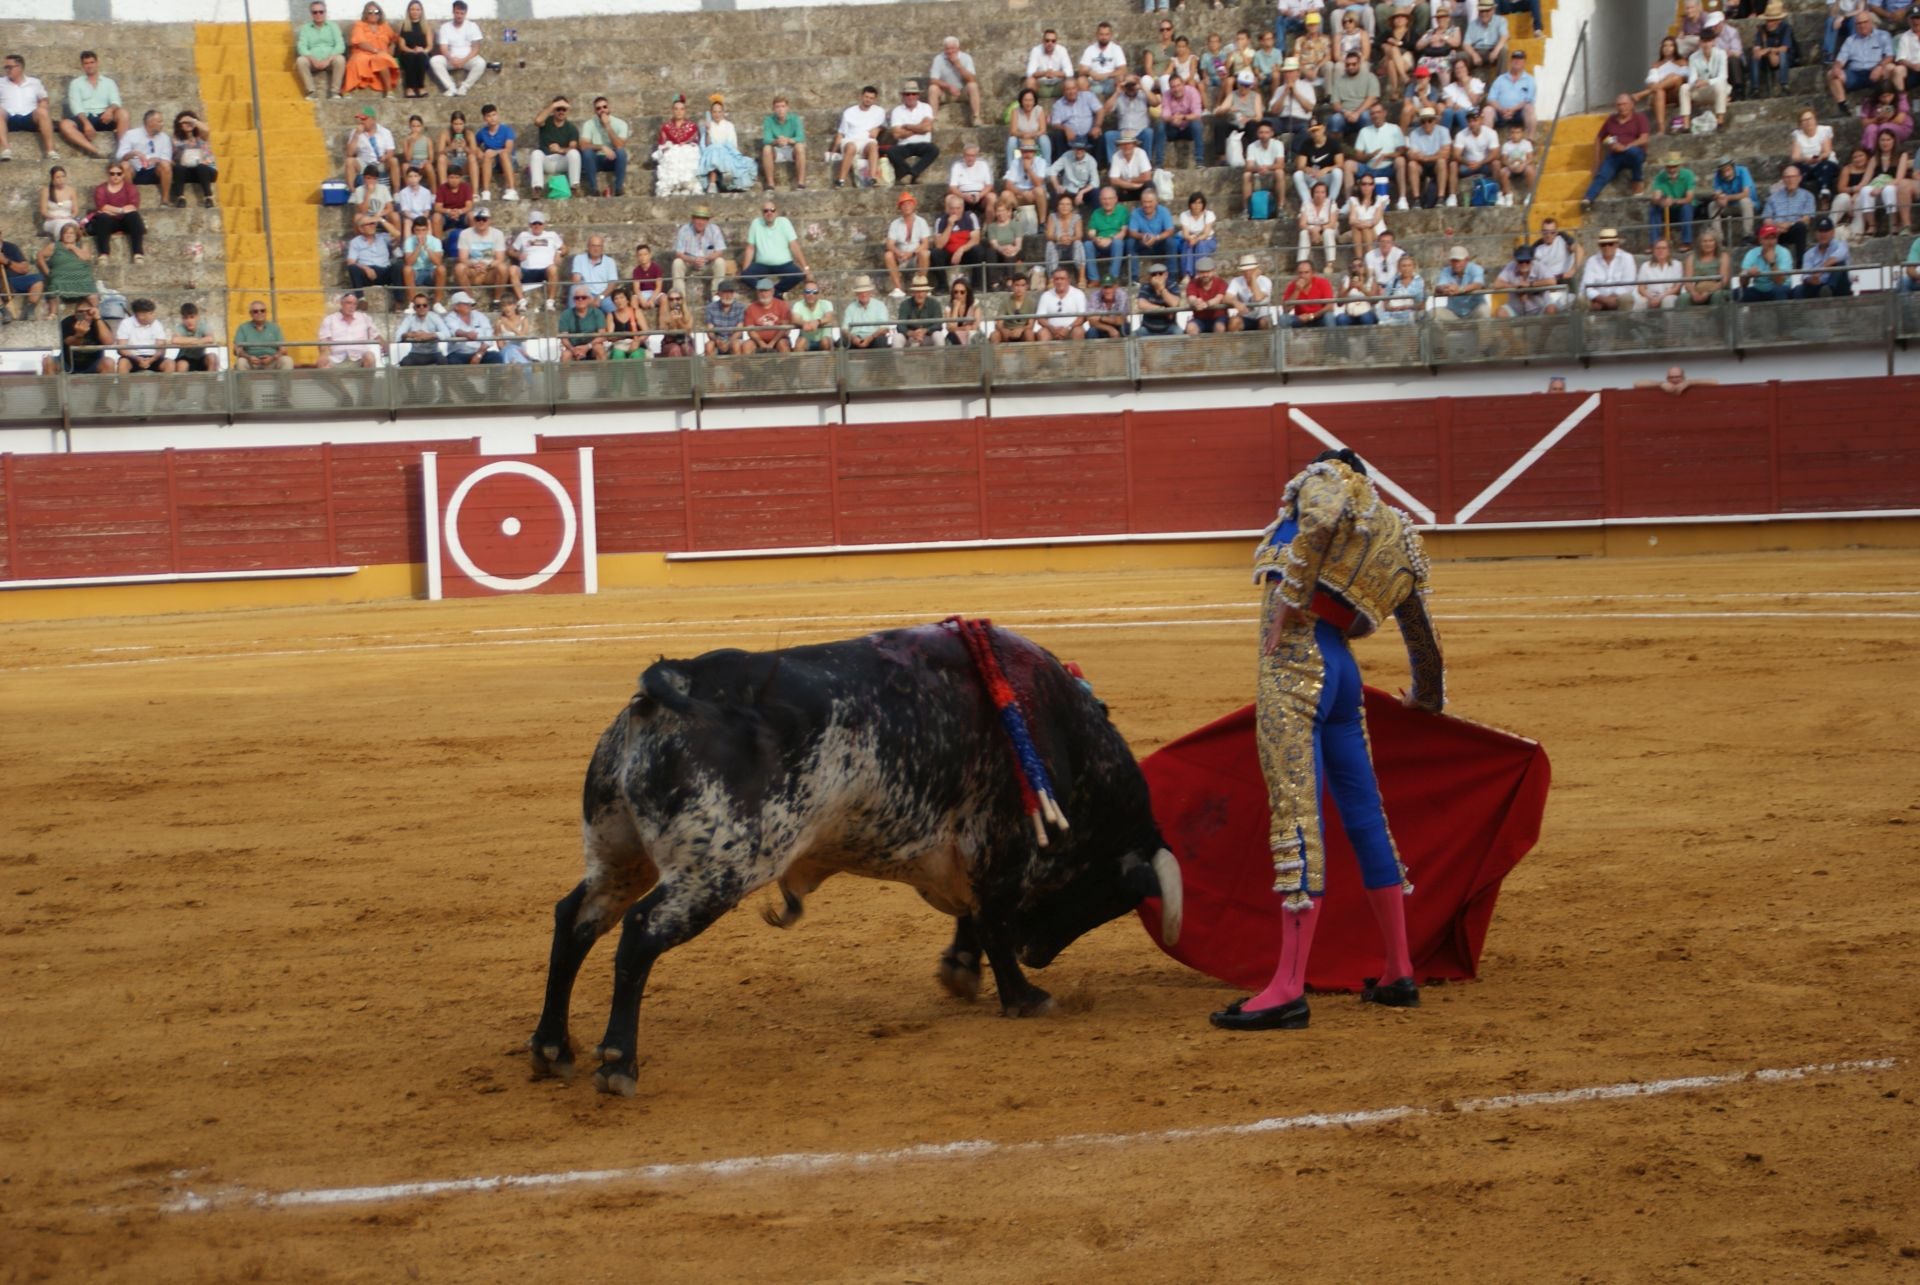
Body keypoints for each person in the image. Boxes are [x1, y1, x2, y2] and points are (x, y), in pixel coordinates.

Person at [1210, 448, 1443, 1031]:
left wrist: (1290, 600)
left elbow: (1318, 516)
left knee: (1296, 816)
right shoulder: (1399, 536)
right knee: (1365, 815)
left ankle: (1288, 986)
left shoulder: (1324, 482)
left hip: (1294, 667)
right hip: (1344, 675)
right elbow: (1423, 637)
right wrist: (1427, 698)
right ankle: (1398, 969)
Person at [1582, 94, 1648, 208]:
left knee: (1634, 152)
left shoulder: (1639, 117)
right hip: (1616, 155)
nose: (1622, 107)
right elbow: (1598, 139)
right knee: (1603, 174)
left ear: (1632, 105)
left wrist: (1625, 147)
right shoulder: (1611, 120)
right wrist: (1597, 162)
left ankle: (1637, 181)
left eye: (1625, 104)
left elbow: (1644, 139)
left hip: (1633, 153)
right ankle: (1588, 198)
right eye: (1619, 105)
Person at [60, 51, 127, 158]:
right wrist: (86, 123)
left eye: (92, 62)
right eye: (86, 63)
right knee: (64, 125)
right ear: (82, 65)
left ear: (97, 63)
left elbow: (116, 101)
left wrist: (110, 110)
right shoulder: (76, 84)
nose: (89, 66)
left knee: (123, 113)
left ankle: (123, 150)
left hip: (104, 116)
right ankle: (95, 151)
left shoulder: (109, 82)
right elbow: (76, 107)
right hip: (84, 116)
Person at [1829, 12, 1896, 117]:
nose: (1862, 25)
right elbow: (1840, 60)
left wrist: (1879, 66)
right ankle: (1843, 107)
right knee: (1832, 74)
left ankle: (1891, 104)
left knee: (1890, 68)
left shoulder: (1882, 35)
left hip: (1875, 71)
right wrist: (1837, 68)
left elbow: (1890, 56)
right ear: (1855, 25)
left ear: (1871, 22)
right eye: (1859, 23)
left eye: (1865, 22)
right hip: (1856, 73)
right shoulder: (1850, 40)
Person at [740, 198, 809, 298]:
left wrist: (806, 267)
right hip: (762, 264)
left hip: (784, 264)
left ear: (777, 212)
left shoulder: (784, 222)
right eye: (766, 211)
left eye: (772, 210)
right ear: (762, 213)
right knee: (746, 276)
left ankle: (772, 293)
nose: (769, 213)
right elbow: (750, 248)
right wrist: (745, 271)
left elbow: (794, 245)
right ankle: (776, 294)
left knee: (798, 275)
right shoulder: (756, 223)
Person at [1347, 101, 1407, 204]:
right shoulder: (1364, 131)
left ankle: (1402, 199)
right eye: (1372, 113)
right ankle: (1350, 202)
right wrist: (1370, 156)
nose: (1375, 115)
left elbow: (1401, 150)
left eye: (1378, 112)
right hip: (1369, 167)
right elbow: (1358, 155)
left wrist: (1387, 155)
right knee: (1348, 164)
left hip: (1388, 166)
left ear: (1384, 113)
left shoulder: (1394, 129)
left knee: (1400, 160)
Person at [697, 95, 756, 195]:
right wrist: (707, 132)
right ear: (711, 113)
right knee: (713, 150)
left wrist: (721, 149)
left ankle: (723, 177)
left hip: (727, 154)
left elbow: (732, 145)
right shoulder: (707, 126)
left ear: (723, 113)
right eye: (714, 112)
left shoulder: (729, 126)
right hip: (711, 155)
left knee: (718, 150)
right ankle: (712, 183)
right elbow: (706, 146)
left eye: (719, 111)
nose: (717, 114)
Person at [1680, 18, 1731, 132]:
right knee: (1684, 88)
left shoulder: (1721, 54)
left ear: (1713, 42)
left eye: (1708, 41)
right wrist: (1696, 82)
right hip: (1701, 90)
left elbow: (1723, 76)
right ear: (1700, 42)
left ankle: (1720, 121)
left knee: (1720, 85)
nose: (1706, 44)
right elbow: (1692, 77)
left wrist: (1707, 82)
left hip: (1715, 89)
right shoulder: (1694, 57)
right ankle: (1686, 125)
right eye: (1704, 41)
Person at [87, 161, 145, 262]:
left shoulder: (130, 188)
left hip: (126, 220)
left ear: (123, 174)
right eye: (112, 173)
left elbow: (132, 206)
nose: (115, 176)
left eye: (118, 173)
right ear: (107, 174)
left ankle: (138, 253)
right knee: (103, 218)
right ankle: (104, 253)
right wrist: (121, 210)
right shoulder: (101, 189)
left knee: (133, 216)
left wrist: (112, 210)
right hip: (110, 221)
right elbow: (102, 207)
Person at [886, 83, 940, 185]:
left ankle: (910, 174)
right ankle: (913, 174)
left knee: (934, 150)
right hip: (904, 145)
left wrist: (908, 126)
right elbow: (896, 134)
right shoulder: (897, 110)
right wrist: (919, 127)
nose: (911, 96)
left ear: (918, 95)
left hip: (923, 144)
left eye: (913, 94)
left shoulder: (926, 107)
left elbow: (927, 128)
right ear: (903, 96)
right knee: (892, 152)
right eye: (908, 94)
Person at [672, 205, 733, 294]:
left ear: (708, 221)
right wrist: (693, 260)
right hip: (689, 263)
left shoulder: (714, 229)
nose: (701, 222)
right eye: (698, 219)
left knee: (720, 262)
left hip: (708, 263)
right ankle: (680, 298)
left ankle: (716, 296)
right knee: (677, 263)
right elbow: (678, 253)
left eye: (704, 219)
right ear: (693, 219)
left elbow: (719, 251)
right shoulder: (684, 230)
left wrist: (706, 258)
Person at [430, 0, 486, 98]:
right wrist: (452, 59)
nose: (459, 16)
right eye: (457, 13)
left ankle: (464, 87)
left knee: (481, 63)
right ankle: (451, 87)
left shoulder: (472, 26)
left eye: (462, 13)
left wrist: (463, 60)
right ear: (453, 12)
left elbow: (476, 48)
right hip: (451, 59)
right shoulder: (445, 27)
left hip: (467, 59)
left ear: (465, 13)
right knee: (434, 61)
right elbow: (443, 48)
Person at [453, 206, 508, 304]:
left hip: (490, 271)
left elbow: (500, 258)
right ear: (474, 220)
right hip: (473, 270)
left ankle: (497, 300)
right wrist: (474, 265)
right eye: (478, 219)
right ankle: (470, 300)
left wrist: (487, 266)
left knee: (503, 268)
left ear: (489, 220)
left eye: (484, 219)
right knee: (459, 268)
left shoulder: (497, 234)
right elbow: (462, 258)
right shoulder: (465, 234)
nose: (481, 222)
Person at [832, 87, 885, 189]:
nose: (868, 100)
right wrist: (834, 151)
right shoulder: (849, 112)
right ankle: (840, 180)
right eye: (866, 97)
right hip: (850, 140)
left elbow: (885, 125)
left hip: (866, 141)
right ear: (861, 96)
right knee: (851, 147)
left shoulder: (879, 111)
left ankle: (872, 178)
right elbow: (841, 132)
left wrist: (878, 129)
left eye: (871, 98)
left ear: (874, 99)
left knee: (873, 145)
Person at [344, 3, 400, 98]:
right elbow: (360, 42)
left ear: (380, 14)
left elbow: (393, 39)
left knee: (382, 58)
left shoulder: (385, 26)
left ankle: (389, 91)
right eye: (370, 12)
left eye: (376, 12)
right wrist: (375, 50)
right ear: (365, 14)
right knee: (357, 60)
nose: (373, 14)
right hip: (363, 52)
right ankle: (348, 90)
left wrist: (392, 46)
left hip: (381, 53)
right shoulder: (359, 25)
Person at [528, 97, 582, 196]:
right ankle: (537, 188)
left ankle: (574, 186)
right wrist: (553, 105)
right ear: (554, 110)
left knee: (574, 153)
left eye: (563, 109)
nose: (561, 112)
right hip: (546, 160)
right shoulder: (546, 122)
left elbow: (573, 147)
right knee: (536, 153)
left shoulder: (572, 128)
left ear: (567, 111)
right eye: (558, 109)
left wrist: (560, 150)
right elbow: (537, 121)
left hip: (562, 161)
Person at [116, 110, 175, 201]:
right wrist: (133, 153)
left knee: (166, 166)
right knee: (124, 165)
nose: (162, 124)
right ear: (150, 123)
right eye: (159, 121)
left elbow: (167, 159)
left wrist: (157, 160)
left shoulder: (164, 138)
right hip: (135, 170)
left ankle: (165, 199)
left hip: (154, 170)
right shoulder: (131, 135)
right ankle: (131, 199)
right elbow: (119, 156)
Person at [929, 190, 982, 291]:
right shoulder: (941, 221)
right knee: (935, 253)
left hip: (965, 253)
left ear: (962, 208)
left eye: (958, 208)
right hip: (948, 254)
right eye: (952, 209)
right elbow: (939, 245)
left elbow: (976, 239)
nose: (955, 211)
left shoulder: (970, 217)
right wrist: (949, 226)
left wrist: (961, 250)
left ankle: (977, 285)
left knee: (978, 250)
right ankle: (943, 285)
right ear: (948, 209)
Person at [510, 209, 563, 308]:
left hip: (545, 270)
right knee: (513, 269)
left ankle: (550, 301)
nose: (537, 226)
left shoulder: (552, 235)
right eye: (534, 223)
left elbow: (564, 248)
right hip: (526, 270)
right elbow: (511, 251)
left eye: (539, 223)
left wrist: (558, 253)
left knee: (553, 269)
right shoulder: (523, 236)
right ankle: (521, 301)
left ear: (543, 224)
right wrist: (518, 255)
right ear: (530, 224)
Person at [1761, 164, 1817, 257]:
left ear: (1799, 178)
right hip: (1776, 231)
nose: (1790, 180)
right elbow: (1767, 219)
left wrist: (1789, 225)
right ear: (1783, 179)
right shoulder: (1773, 198)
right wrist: (1777, 226)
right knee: (1763, 231)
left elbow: (1806, 220)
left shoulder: (1808, 196)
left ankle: (1800, 267)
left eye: (1793, 177)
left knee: (1800, 227)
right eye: (1787, 177)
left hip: (1795, 230)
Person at [317, 291, 383, 369]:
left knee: (370, 357)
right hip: (337, 358)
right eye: (348, 303)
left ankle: (368, 382)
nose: (351, 306)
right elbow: (324, 341)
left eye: (354, 304)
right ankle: (337, 382)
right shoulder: (330, 319)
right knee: (322, 363)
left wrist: (387, 348)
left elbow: (376, 336)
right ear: (341, 304)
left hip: (359, 357)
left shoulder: (364, 318)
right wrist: (324, 354)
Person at [296, 3, 348, 101]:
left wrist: (328, 60)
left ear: (325, 13)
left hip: (330, 60)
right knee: (300, 60)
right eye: (315, 12)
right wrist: (313, 60)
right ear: (311, 14)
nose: (318, 14)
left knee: (340, 59)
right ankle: (311, 91)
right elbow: (301, 47)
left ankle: (335, 92)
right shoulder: (305, 28)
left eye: (321, 12)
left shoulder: (333, 26)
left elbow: (340, 45)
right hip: (313, 61)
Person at [580, 96, 630, 198]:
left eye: (604, 107)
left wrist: (607, 126)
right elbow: (583, 145)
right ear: (595, 111)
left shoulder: (621, 124)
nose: (602, 110)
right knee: (587, 153)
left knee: (621, 152)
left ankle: (618, 188)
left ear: (609, 108)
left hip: (612, 159)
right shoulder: (589, 124)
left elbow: (619, 145)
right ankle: (593, 189)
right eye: (598, 108)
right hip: (596, 160)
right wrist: (601, 147)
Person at [1647, 152, 1697, 251]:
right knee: (1653, 209)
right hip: (1668, 208)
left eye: (1674, 167)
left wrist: (1673, 201)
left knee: (1686, 207)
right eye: (1669, 167)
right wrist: (1659, 201)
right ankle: (1654, 242)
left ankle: (1686, 242)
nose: (1672, 170)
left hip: (1683, 206)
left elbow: (1689, 197)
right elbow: (1655, 196)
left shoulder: (1688, 175)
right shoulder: (1660, 177)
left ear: (1679, 166)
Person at [345, 212, 400, 302]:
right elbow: (351, 262)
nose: (372, 226)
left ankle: (399, 302)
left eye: (373, 223)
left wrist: (381, 220)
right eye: (368, 224)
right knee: (353, 268)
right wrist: (365, 268)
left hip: (384, 271)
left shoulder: (383, 237)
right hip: (368, 274)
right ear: (361, 229)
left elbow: (397, 234)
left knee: (398, 266)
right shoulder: (355, 242)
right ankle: (361, 299)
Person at [928, 36, 982, 125]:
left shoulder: (966, 58)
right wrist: (948, 86)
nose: (950, 51)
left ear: (958, 48)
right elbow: (933, 80)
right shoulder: (938, 59)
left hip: (962, 91)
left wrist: (958, 65)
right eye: (947, 49)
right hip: (945, 92)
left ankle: (976, 116)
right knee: (932, 88)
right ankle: (934, 119)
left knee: (973, 85)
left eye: (952, 48)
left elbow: (972, 79)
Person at [654, 96, 702, 197]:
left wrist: (684, 146)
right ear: (672, 110)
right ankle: (673, 187)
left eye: (681, 109)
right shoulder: (666, 127)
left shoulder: (692, 126)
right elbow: (662, 143)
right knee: (671, 154)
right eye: (676, 109)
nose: (679, 112)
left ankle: (686, 186)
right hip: (672, 153)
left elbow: (695, 142)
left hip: (687, 152)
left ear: (685, 111)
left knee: (686, 153)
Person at [1701, 156, 1756, 243]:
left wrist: (1727, 197)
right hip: (1729, 205)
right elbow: (1717, 192)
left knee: (1744, 201)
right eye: (1723, 172)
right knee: (1712, 205)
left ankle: (1747, 235)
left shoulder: (1743, 171)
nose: (1726, 174)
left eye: (1728, 170)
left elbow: (1746, 193)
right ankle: (1719, 239)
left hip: (1746, 205)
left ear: (1733, 167)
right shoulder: (1718, 175)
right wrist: (1718, 198)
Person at [1082, 186, 1130, 286]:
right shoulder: (1096, 213)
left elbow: (1123, 232)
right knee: (1087, 244)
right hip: (1100, 243)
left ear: (1115, 199)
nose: (1107, 202)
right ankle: (1094, 279)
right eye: (1104, 199)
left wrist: (1110, 239)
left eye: (1110, 199)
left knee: (1118, 243)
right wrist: (1096, 239)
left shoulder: (1122, 211)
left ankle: (1113, 278)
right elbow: (1091, 232)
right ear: (1100, 200)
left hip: (1115, 242)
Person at [1579, 228, 1635, 311]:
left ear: (1617, 244)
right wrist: (1603, 300)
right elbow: (1585, 286)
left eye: (1610, 244)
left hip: (1617, 299)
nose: (1607, 247)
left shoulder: (1627, 258)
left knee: (1627, 298)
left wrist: (1611, 299)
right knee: (1580, 300)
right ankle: (1587, 323)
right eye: (1603, 244)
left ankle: (1624, 323)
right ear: (1599, 246)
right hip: (1597, 300)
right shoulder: (1592, 261)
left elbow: (1628, 285)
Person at [1796, 215, 1853, 297]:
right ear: (1816, 233)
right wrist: (1811, 280)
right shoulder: (1808, 254)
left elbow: (1835, 258)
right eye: (1820, 231)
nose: (1823, 234)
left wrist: (1820, 271)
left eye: (1826, 231)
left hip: (1839, 287)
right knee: (1798, 290)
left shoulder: (1841, 245)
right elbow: (1806, 276)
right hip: (1818, 286)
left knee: (1840, 264)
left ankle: (1829, 288)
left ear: (1833, 232)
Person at [55, 298, 114, 375]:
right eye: (80, 312)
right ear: (75, 313)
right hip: (67, 363)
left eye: (88, 311)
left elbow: (108, 342)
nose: (84, 314)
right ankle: (51, 387)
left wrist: (98, 318)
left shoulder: (100, 323)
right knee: (48, 362)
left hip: (94, 363)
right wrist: (79, 335)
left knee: (108, 363)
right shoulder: (67, 322)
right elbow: (68, 342)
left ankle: (105, 386)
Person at [1750, 2, 1797, 98]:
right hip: (1767, 58)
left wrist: (1769, 50)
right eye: (1767, 21)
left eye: (1771, 21)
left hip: (1784, 58)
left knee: (1783, 54)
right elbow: (1757, 48)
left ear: (1778, 21)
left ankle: (1784, 85)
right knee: (1754, 58)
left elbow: (1784, 48)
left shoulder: (1786, 28)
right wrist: (1758, 51)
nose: (1769, 23)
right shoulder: (1762, 30)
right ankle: (1755, 89)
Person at [1049, 80, 1102, 164]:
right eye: (1068, 89)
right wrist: (1065, 128)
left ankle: (1098, 167)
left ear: (1077, 89)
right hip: (1071, 136)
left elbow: (1100, 110)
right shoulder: (1058, 104)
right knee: (1058, 135)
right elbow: (1055, 123)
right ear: (1063, 92)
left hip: (1088, 134)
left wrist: (1097, 126)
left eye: (1073, 88)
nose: (1071, 92)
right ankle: (1062, 166)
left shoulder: (1087, 96)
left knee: (1098, 134)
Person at [1128, 186, 1175, 280]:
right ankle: (1134, 277)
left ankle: (1173, 275)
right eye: (1144, 202)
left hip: (1159, 242)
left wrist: (1156, 237)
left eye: (1150, 202)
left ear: (1156, 202)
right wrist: (1143, 236)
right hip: (1143, 243)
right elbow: (1132, 232)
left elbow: (1170, 230)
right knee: (1130, 242)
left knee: (1171, 242)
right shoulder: (1136, 213)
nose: (1147, 205)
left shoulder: (1163, 211)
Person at [1485, 48, 1535, 136]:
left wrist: (1512, 110)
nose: (1517, 61)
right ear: (1510, 61)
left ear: (1524, 62)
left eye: (1520, 59)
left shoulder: (1529, 80)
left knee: (1529, 108)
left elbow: (1528, 100)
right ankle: (1486, 143)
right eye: (1514, 59)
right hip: (1500, 112)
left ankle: (1530, 139)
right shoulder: (1500, 79)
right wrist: (1501, 109)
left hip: (1519, 113)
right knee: (1487, 110)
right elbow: (1490, 98)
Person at [759, 96, 805, 191]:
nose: (780, 109)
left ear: (787, 107)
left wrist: (788, 140)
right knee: (766, 149)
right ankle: (770, 184)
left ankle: (801, 182)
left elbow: (801, 137)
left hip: (791, 148)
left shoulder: (795, 119)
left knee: (800, 147)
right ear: (773, 109)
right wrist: (776, 141)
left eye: (783, 106)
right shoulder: (768, 120)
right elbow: (766, 139)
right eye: (777, 107)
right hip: (777, 149)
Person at [234, 300, 294, 371]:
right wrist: (249, 357)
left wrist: (272, 358)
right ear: (250, 314)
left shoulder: (274, 327)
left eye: (262, 310)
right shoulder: (243, 328)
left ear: (266, 312)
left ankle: (283, 382)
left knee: (287, 360)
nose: (259, 313)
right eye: (255, 311)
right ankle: (244, 383)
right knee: (241, 362)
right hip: (251, 362)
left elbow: (284, 350)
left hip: (272, 362)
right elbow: (236, 350)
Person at [1242, 120, 1287, 216]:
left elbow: (1281, 164)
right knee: (1246, 175)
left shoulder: (1278, 144)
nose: (1264, 135)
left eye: (1266, 132)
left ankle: (1281, 207)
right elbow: (1248, 166)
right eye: (1261, 132)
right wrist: (1259, 169)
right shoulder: (1252, 146)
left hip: (1272, 173)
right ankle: (1246, 209)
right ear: (1257, 134)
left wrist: (1267, 167)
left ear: (1271, 133)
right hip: (1258, 174)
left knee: (1280, 172)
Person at [1161, 73, 1207, 167]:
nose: (1176, 89)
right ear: (1170, 88)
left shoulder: (1192, 92)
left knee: (1197, 124)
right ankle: (1158, 163)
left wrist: (1183, 117)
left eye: (1178, 85)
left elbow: (1197, 114)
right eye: (1173, 87)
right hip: (1173, 128)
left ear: (1183, 84)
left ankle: (1199, 161)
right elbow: (1165, 116)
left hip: (1188, 129)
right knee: (1160, 126)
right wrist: (1173, 118)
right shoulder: (1166, 94)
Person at [1184, 256, 1238, 333]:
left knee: (1219, 327)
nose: (1205, 275)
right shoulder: (1193, 283)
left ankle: (1218, 345)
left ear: (1213, 271)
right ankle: (1195, 344)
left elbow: (1219, 298)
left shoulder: (1221, 283)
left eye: (1208, 272)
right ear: (1198, 272)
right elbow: (1191, 298)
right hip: (1199, 318)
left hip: (1219, 317)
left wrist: (1207, 304)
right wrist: (1196, 302)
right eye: (1202, 272)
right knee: (1190, 328)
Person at [1277, 256, 1335, 329]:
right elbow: (1286, 310)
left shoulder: (1323, 283)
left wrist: (1312, 315)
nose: (1303, 276)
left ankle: (1333, 340)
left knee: (1329, 316)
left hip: (1318, 317)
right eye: (1300, 273)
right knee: (1283, 319)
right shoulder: (1292, 285)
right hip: (1300, 319)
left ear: (1313, 273)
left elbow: (1330, 307)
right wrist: (1297, 290)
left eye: (1306, 272)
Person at [1045, 191, 1088, 287]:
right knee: (1050, 244)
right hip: (1058, 248)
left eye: (1068, 204)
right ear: (1058, 206)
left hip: (1071, 248)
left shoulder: (1076, 217)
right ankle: (1051, 279)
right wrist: (1059, 238)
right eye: (1062, 204)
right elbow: (1049, 235)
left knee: (1078, 243)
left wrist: (1070, 238)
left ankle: (1082, 277)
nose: (1065, 207)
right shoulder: (1052, 217)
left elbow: (1079, 235)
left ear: (1071, 207)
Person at [2, 230, 47, 321]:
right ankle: (4, 312)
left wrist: (6, 261)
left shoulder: (11, 247)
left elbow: (24, 269)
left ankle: (29, 310)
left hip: (14, 280)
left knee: (37, 279)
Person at [1048, 134, 1102, 210]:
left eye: (1081, 149)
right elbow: (1052, 170)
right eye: (1077, 148)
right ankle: (1055, 218)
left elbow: (1095, 182)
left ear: (1085, 149)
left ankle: (1097, 217)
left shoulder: (1091, 161)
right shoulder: (1066, 156)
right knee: (1055, 194)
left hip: (1083, 190)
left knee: (1096, 192)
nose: (1079, 151)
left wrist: (1082, 192)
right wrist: (1057, 186)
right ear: (1073, 148)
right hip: (1067, 190)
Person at [982, 196, 1025, 290]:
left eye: (1002, 210)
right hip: (999, 250)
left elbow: (1018, 244)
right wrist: (1002, 249)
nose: (1000, 213)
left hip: (1014, 250)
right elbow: (994, 243)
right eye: (998, 211)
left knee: (1011, 253)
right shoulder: (992, 227)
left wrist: (1012, 249)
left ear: (1008, 212)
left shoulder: (1016, 225)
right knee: (990, 252)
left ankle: (1010, 282)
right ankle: (994, 283)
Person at [1434, 243, 1487, 319]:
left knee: (1484, 310)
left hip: (1473, 311)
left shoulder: (1476, 268)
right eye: (1453, 261)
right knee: (1433, 313)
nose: (1456, 264)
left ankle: (1487, 331)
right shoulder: (1446, 270)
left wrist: (1460, 289)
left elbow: (1478, 284)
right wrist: (1445, 289)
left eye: (1458, 261)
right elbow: (1440, 286)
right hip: (1454, 312)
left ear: (1466, 260)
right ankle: (1441, 331)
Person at [567, 232, 620, 308]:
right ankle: (572, 317)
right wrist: (588, 297)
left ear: (602, 248)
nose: (596, 249)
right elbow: (576, 280)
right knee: (574, 288)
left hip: (603, 296)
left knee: (614, 311)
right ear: (588, 247)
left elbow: (612, 285)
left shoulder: (610, 261)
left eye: (599, 246)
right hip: (585, 294)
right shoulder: (579, 259)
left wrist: (599, 297)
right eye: (593, 246)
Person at [394, 291, 448, 364]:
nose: (421, 307)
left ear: (428, 307)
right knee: (405, 363)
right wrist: (410, 334)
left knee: (444, 361)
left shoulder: (434, 317)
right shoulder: (409, 319)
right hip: (415, 353)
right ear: (414, 308)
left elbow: (447, 333)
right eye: (418, 306)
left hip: (434, 352)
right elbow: (397, 335)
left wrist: (429, 336)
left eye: (424, 305)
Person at [1034, 266, 1088, 340]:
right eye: (1056, 279)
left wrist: (1068, 328)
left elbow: (1081, 318)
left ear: (1068, 280)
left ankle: (1077, 352)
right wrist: (1052, 329)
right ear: (1053, 281)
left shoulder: (1078, 294)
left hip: (1071, 330)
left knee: (1078, 331)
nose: (1059, 282)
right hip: (1051, 331)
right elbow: (1040, 318)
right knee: (1042, 332)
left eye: (1062, 279)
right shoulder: (1046, 295)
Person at [559, 284, 612, 360]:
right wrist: (573, 349)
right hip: (573, 347)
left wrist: (587, 347)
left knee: (600, 349)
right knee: (565, 355)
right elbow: (564, 337)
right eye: (577, 298)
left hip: (592, 345)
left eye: (583, 297)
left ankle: (604, 372)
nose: (580, 300)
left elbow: (602, 335)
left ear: (589, 299)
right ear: (573, 300)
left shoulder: (597, 313)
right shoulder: (566, 314)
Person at [1174, 191, 1217, 284]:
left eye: (1200, 203)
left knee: (1201, 244)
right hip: (1190, 238)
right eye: (1194, 203)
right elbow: (1185, 234)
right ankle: (1187, 274)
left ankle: (1199, 272)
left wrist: (1196, 239)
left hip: (1207, 240)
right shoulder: (1184, 215)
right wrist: (1190, 239)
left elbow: (1206, 234)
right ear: (1190, 204)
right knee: (1187, 244)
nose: (1197, 206)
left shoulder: (1209, 214)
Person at [741, 278, 792, 354]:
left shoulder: (782, 305)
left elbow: (784, 328)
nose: (763, 294)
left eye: (766, 291)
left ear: (772, 291)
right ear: (757, 292)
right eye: (761, 291)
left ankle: (786, 366)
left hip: (778, 339)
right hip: (757, 341)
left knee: (783, 344)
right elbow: (750, 330)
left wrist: (772, 343)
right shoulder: (751, 308)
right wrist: (761, 343)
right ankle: (748, 366)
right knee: (746, 346)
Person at [400, 216, 445, 303]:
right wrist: (419, 246)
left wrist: (426, 247)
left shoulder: (435, 241)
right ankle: (412, 302)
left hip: (431, 272)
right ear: (414, 230)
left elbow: (438, 262)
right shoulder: (409, 241)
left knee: (441, 269)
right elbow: (409, 262)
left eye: (423, 230)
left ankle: (437, 302)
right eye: (418, 230)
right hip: (416, 273)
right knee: (407, 269)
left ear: (427, 229)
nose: (421, 233)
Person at [1080, 22, 1129, 100]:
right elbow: (1082, 69)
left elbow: (1123, 69)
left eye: (1106, 34)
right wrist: (1090, 72)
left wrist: (1106, 75)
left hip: (1110, 81)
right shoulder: (1090, 49)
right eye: (1101, 34)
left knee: (1121, 78)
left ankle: (1117, 106)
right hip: (1093, 82)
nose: (1104, 37)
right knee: (1081, 80)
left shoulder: (1116, 49)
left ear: (1110, 35)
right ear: (1097, 35)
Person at [948, 139, 996, 217]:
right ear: (964, 155)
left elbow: (989, 185)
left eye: (972, 156)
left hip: (980, 196)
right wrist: (963, 196)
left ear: (976, 155)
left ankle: (988, 226)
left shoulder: (983, 164)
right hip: (962, 197)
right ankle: (951, 225)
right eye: (968, 155)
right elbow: (952, 187)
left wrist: (980, 195)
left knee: (992, 197)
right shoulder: (957, 166)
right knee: (949, 198)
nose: (970, 158)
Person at [1297, 180, 1340, 268]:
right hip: (1311, 229)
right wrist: (1312, 230)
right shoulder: (1306, 204)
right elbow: (1302, 224)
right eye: (1317, 192)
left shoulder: (1331, 203)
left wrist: (1319, 229)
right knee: (1303, 233)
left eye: (1322, 192)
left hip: (1327, 229)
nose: (1319, 195)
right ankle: (1302, 263)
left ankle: (1330, 263)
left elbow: (1332, 223)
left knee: (1328, 232)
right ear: (1313, 193)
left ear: (1326, 194)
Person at [842, 275, 892, 349]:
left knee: (882, 340)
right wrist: (853, 338)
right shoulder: (850, 308)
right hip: (855, 338)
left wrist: (870, 338)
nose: (863, 294)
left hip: (874, 337)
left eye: (865, 291)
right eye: (860, 292)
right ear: (856, 293)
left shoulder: (880, 305)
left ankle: (879, 360)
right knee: (842, 341)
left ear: (870, 292)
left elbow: (884, 328)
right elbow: (844, 329)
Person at [395, 1, 433, 99]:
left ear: (421, 11)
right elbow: (402, 46)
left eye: (417, 9)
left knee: (420, 57)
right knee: (410, 57)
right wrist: (412, 51)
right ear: (409, 11)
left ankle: (420, 87)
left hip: (422, 53)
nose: (415, 12)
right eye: (412, 9)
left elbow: (429, 46)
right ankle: (409, 88)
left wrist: (422, 50)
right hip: (407, 53)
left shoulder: (426, 26)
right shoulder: (404, 26)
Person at [171, 302, 221, 374]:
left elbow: (211, 338)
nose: (189, 321)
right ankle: (181, 385)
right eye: (186, 318)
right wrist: (196, 340)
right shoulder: (180, 328)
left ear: (197, 317)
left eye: (192, 317)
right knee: (182, 365)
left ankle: (211, 383)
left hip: (200, 358)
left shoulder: (203, 326)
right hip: (184, 358)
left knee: (213, 357)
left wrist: (187, 342)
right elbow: (175, 340)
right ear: (182, 319)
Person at [1635, 237, 1684, 311]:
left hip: (1668, 295)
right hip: (1650, 295)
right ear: (1654, 251)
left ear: (1669, 251)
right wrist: (1651, 298)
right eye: (1658, 248)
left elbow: (1676, 288)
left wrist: (1660, 298)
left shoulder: (1677, 265)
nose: (1660, 251)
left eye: (1664, 248)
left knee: (1668, 301)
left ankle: (1669, 322)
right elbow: (1641, 288)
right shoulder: (1645, 266)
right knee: (1640, 302)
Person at [1135, 261, 1183, 336]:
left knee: (1178, 332)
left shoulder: (1172, 285)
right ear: (1150, 277)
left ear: (1166, 275)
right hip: (1148, 329)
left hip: (1169, 328)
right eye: (1154, 274)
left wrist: (1161, 288)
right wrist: (1162, 309)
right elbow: (1141, 304)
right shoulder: (1146, 286)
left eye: (1160, 273)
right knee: (1136, 334)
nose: (1157, 276)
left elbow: (1175, 303)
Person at [1026, 29, 1075, 98]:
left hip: (1058, 84)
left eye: (1053, 41)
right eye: (1047, 41)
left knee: (1070, 82)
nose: (1050, 43)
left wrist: (1055, 73)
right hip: (1041, 85)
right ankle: (1032, 107)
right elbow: (1029, 73)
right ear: (1043, 41)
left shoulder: (1062, 50)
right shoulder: (1036, 50)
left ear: (1056, 42)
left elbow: (1070, 72)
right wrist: (1044, 73)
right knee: (1030, 81)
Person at [432, 160, 473, 238]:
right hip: (446, 216)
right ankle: (438, 244)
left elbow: (469, 206)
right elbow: (437, 207)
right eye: (451, 177)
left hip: (462, 215)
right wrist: (449, 211)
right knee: (436, 217)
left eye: (457, 178)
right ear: (447, 178)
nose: (454, 180)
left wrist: (459, 212)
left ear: (461, 178)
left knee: (472, 215)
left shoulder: (466, 187)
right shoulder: (442, 188)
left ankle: (473, 242)